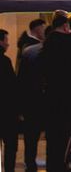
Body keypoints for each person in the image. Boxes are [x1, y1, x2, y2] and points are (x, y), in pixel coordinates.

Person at [41, 12, 71, 172]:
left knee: (54, 136)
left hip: (53, 95)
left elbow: (42, 70)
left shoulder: (47, 43)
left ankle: (54, 166)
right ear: (66, 26)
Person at [18, 27, 48, 172]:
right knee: (54, 136)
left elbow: (22, 80)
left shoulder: (28, 51)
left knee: (31, 137)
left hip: (31, 101)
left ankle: (30, 164)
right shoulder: (57, 52)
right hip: (49, 101)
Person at [1, 29, 20, 172]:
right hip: (6, 111)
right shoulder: (5, 61)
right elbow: (12, 87)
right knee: (10, 145)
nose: (8, 44)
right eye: (6, 40)